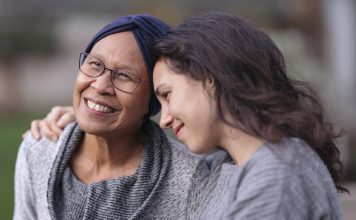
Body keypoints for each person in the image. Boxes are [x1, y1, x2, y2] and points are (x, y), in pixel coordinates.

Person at [27, 13, 347, 219]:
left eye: (166, 95)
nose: (164, 118)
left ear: (211, 78)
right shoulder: (244, 165)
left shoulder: (274, 182)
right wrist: (89, 118)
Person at [14, 14, 209, 220]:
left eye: (124, 75)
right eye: (95, 64)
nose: (100, 85)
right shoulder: (38, 151)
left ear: (154, 97)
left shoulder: (190, 179)